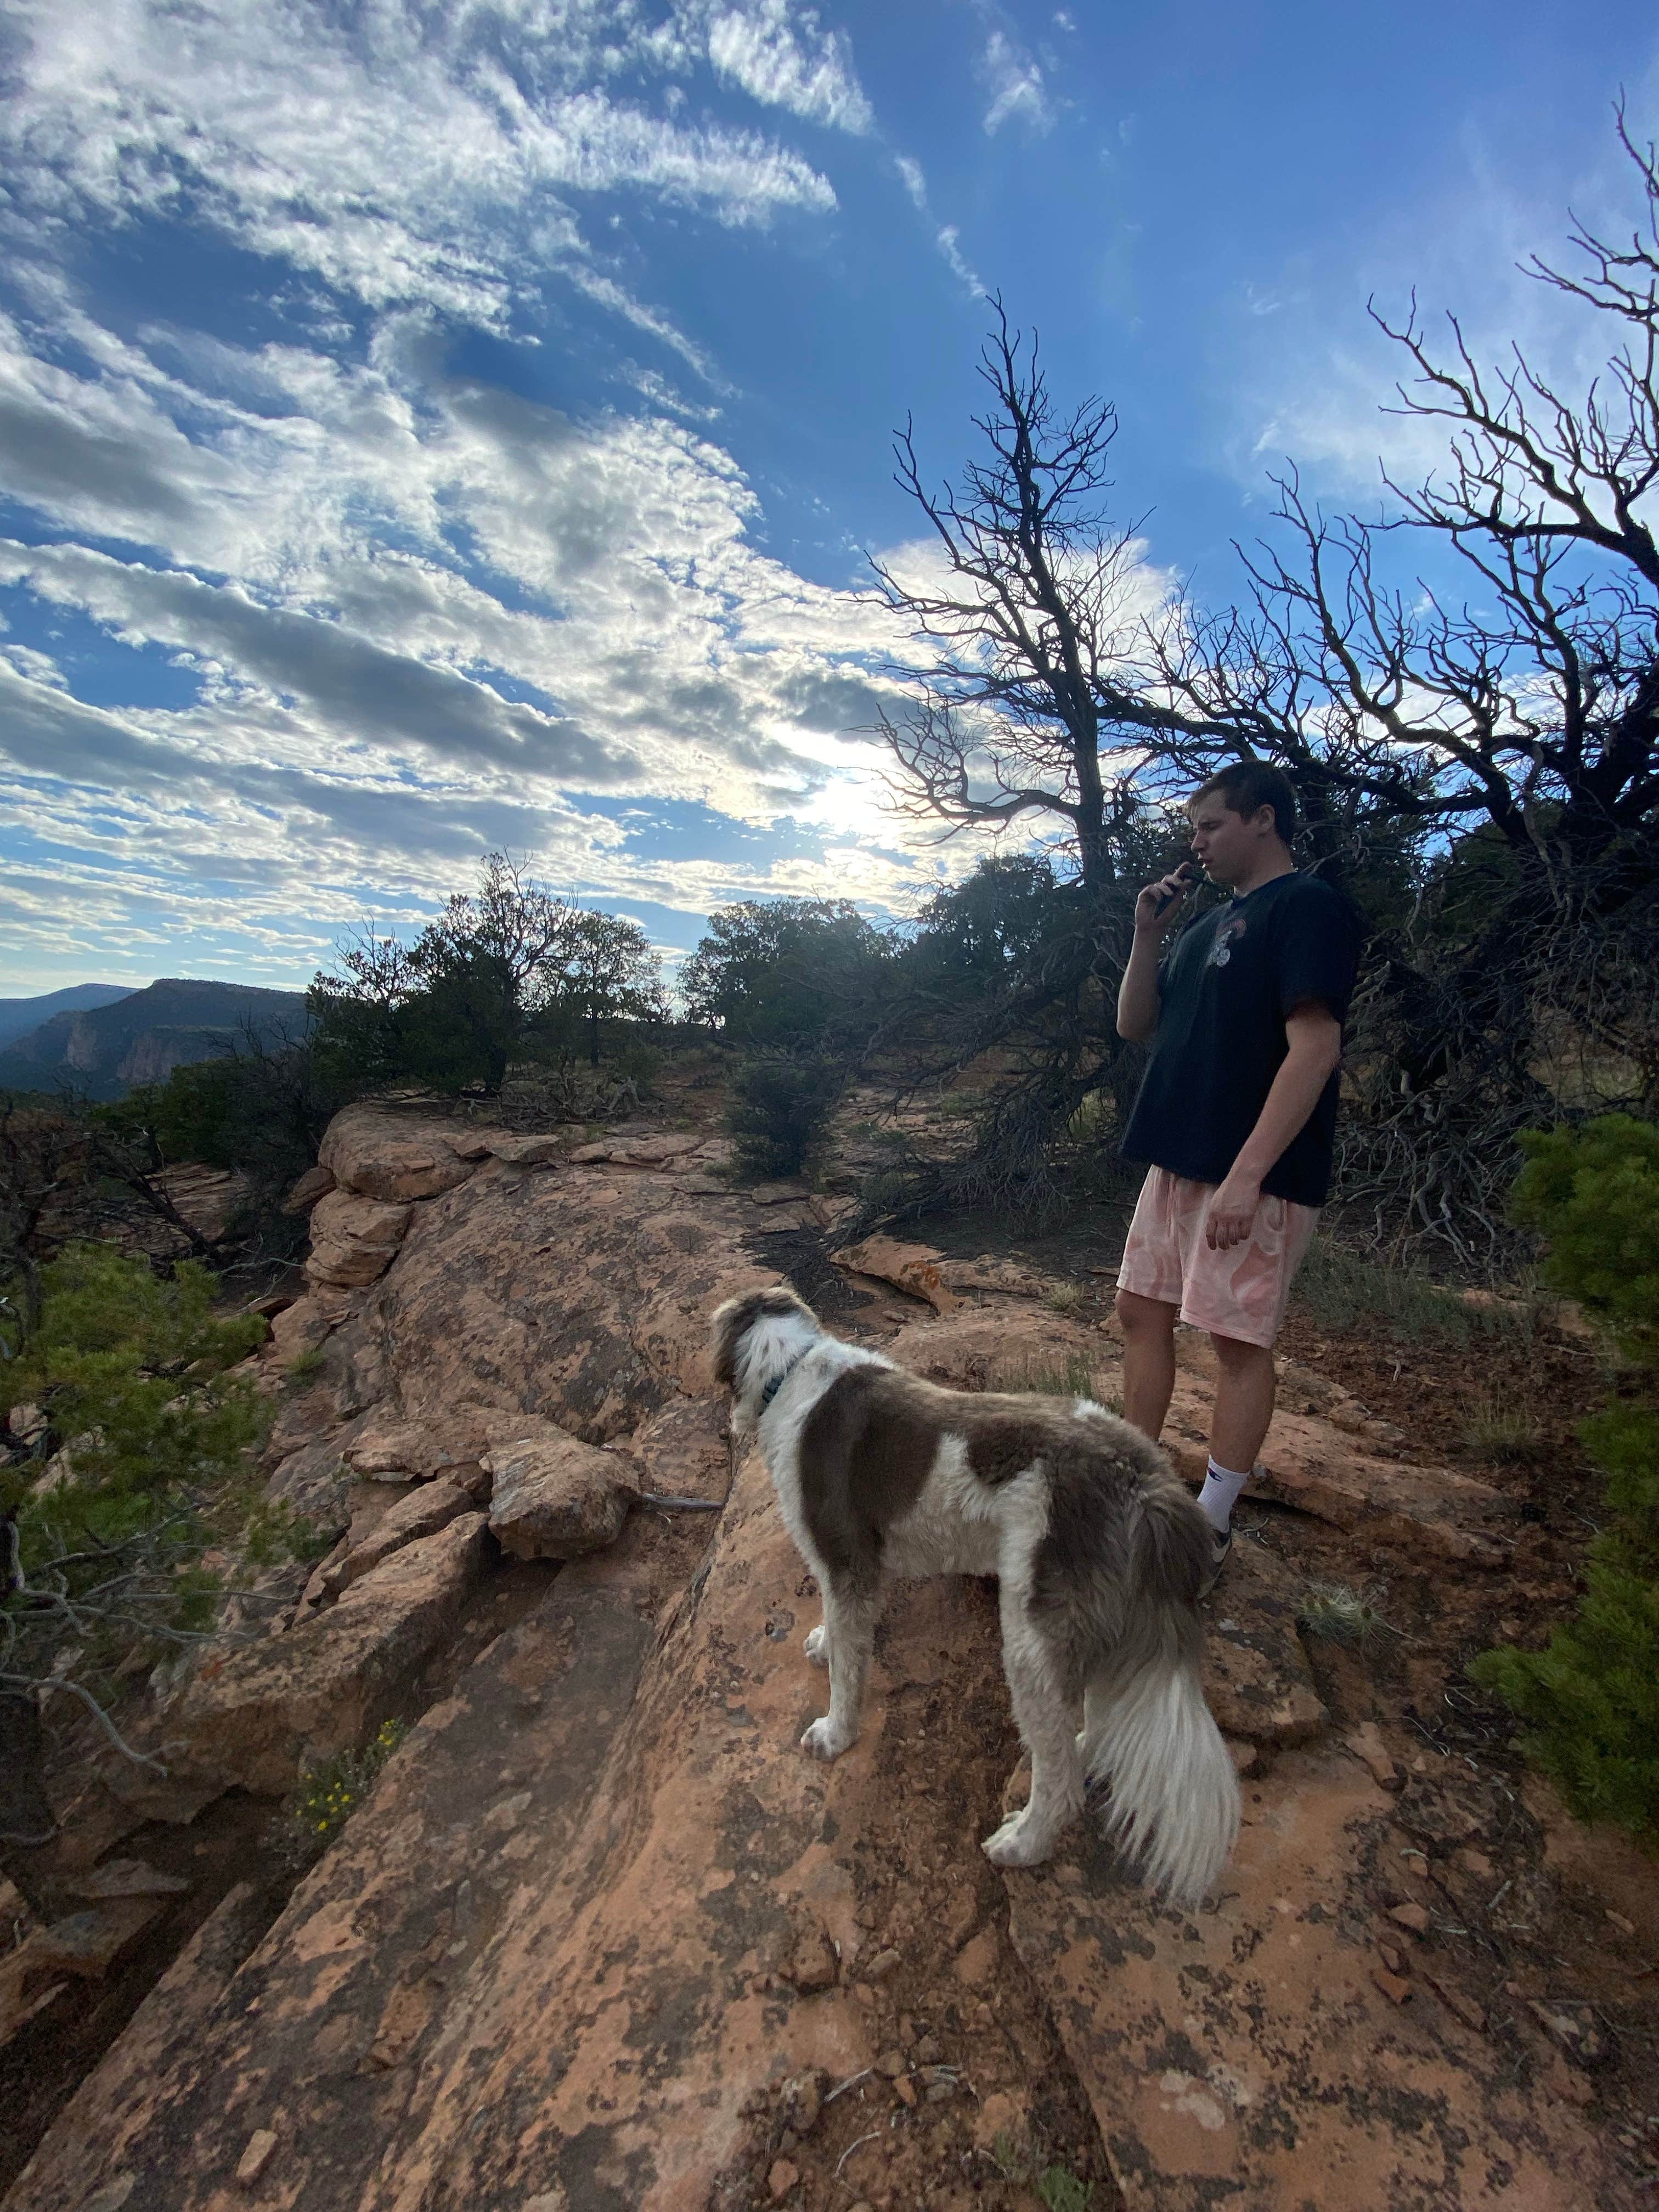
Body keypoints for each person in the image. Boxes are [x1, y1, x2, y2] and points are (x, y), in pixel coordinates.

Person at [1113, 761, 1363, 1590]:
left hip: (1254, 1174)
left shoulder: (1307, 908)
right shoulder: (1202, 925)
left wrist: (1248, 1176)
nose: (1196, 843)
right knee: (1138, 1312)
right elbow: (1136, 1024)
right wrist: (1148, 934)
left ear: (1263, 820)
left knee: (1235, 1341)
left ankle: (1209, 1526)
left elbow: (1316, 1047)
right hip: (1178, 1159)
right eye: (1192, 831)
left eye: (1210, 827)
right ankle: (1136, 1491)